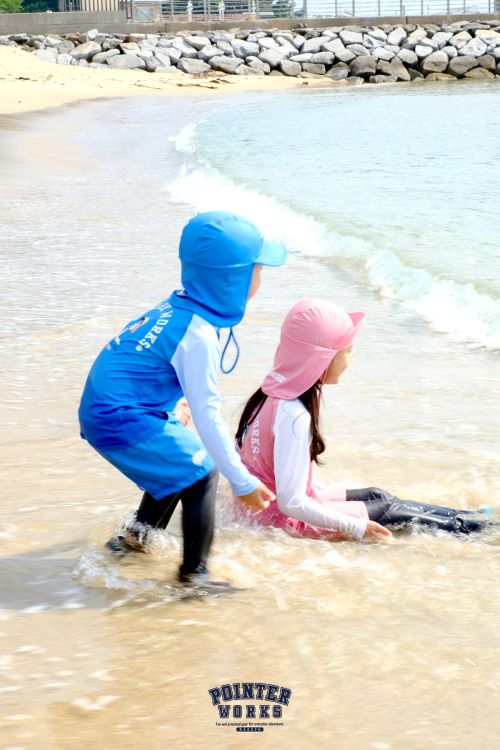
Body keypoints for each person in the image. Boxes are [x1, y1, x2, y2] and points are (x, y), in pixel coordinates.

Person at [78, 211, 287, 584]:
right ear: (234, 278)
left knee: (176, 462)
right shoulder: (198, 334)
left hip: (111, 407)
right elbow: (208, 416)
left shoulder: (179, 307)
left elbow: (140, 361)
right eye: (258, 270)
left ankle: (136, 538)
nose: (261, 278)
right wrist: (241, 481)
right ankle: (194, 578)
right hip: (118, 416)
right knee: (201, 471)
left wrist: (170, 404)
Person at [234, 298, 493, 543]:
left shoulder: (271, 392)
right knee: (389, 509)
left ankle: (471, 517)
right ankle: (479, 529)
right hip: (284, 520)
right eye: (348, 352)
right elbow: (291, 503)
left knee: (377, 495)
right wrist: (356, 526)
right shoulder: (294, 415)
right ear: (321, 360)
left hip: (267, 507)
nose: (350, 359)